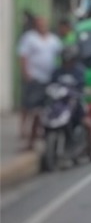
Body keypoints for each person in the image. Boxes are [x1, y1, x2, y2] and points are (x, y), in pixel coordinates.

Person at [18, 15, 63, 149]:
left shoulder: (53, 40)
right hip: (34, 77)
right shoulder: (29, 38)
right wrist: (26, 74)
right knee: (28, 105)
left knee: (43, 108)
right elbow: (23, 56)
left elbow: (61, 54)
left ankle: (38, 131)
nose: (42, 26)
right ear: (35, 25)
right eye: (39, 23)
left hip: (49, 78)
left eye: (44, 23)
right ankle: (23, 129)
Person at [49, 45, 91, 162]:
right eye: (65, 60)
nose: (67, 62)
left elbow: (82, 87)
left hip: (75, 105)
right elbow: (51, 85)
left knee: (89, 125)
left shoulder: (79, 71)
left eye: (69, 60)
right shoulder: (57, 72)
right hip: (60, 106)